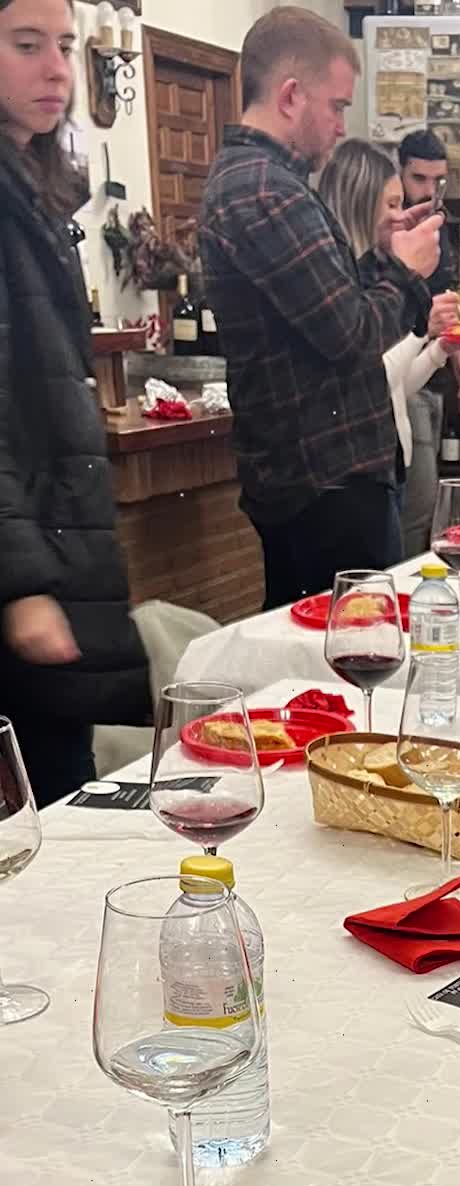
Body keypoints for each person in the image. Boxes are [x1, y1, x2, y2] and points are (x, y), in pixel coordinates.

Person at [199, 7, 443, 609]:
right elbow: (350, 335)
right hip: (323, 486)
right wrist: (405, 271)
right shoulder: (264, 189)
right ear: (290, 96)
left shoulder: (270, 184)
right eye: (336, 106)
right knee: (351, 654)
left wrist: (384, 256)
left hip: (323, 481)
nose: (341, 126)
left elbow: (329, 310)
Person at [0, 0, 149, 806]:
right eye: (27, 45)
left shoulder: (31, 187)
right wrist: (20, 587)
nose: (58, 68)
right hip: (25, 576)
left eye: (64, 44)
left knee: (65, 797)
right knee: (50, 818)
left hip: (56, 556)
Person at [319, 140, 458, 520]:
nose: (401, 217)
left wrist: (440, 349)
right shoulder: (350, 284)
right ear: (361, 206)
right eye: (392, 205)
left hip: (389, 464)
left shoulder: (379, 270)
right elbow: (374, 379)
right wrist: (422, 330)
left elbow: (397, 388)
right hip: (356, 475)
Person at [398, 129, 460, 556]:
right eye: (419, 179)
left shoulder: (438, 226)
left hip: (433, 367)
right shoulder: (394, 231)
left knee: (426, 503)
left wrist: (458, 354)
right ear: (400, 173)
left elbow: (443, 297)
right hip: (400, 373)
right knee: (419, 503)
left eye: (437, 181)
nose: (429, 191)